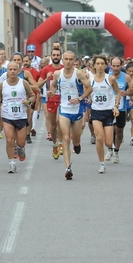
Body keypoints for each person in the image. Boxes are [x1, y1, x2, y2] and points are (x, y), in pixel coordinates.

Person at [49, 51, 93, 179]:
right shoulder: (58, 74)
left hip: (77, 110)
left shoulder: (78, 74)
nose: (68, 61)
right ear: (63, 59)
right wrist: (52, 93)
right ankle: (68, 168)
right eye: (66, 59)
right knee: (66, 138)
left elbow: (89, 88)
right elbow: (53, 86)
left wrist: (79, 98)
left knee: (75, 138)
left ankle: (77, 144)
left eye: (70, 59)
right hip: (64, 109)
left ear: (74, 61)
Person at [0, 61, 35, 173]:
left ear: (18, 71)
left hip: (21, 116)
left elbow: (32, 96)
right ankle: (11, 163)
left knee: (21, 142)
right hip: (7, 115)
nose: (12, 71)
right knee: (9, 140)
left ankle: (21, 149)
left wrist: (28, 101)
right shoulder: (2, 85)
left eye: (15, 69)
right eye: (10, 69)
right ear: (7, 71)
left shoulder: (23, 83)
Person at [90, 55, 121, 174]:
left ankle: (111, 148)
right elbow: (87, 91)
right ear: (94, 65)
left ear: (106, 65)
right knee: (99, 138)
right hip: (96, 111)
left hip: (108, 112)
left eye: (102, 63)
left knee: (108, 142)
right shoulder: (90, 80)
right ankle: (102, 164)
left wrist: (116, 106)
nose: (100, 66)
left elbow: (118, 93)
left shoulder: (110, 79)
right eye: (97, 63)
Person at [37, 48, 64, 158]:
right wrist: (46, 78)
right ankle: (54, 145)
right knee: (53, 126)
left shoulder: (64, 69)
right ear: (51, 56)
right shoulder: (46, 69)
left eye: (58, 55)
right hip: (51, 100)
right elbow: (38, 85)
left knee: (60, 122)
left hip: (63, 100)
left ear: (60, 56)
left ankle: (61, 143)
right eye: (54, 55)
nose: (56, 57)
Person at [107, 57, 129, 164]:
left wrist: (127, 93)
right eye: (113, 66)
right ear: (110, 65)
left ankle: (116, 151)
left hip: (121, 108)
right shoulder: (106, 76)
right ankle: (109, 149)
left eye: (117, 66)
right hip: (108, 107)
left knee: (119, 131)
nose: (115, 68)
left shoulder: (126, 77)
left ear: (122, 65)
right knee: (109, 130)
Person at [125, 62, 133, 146]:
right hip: (124, 101)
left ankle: (132, 138)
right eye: (129, 71)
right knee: (123, 120)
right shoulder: (123, 78)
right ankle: (119, 135)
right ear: (126, 71)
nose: (131, 73)